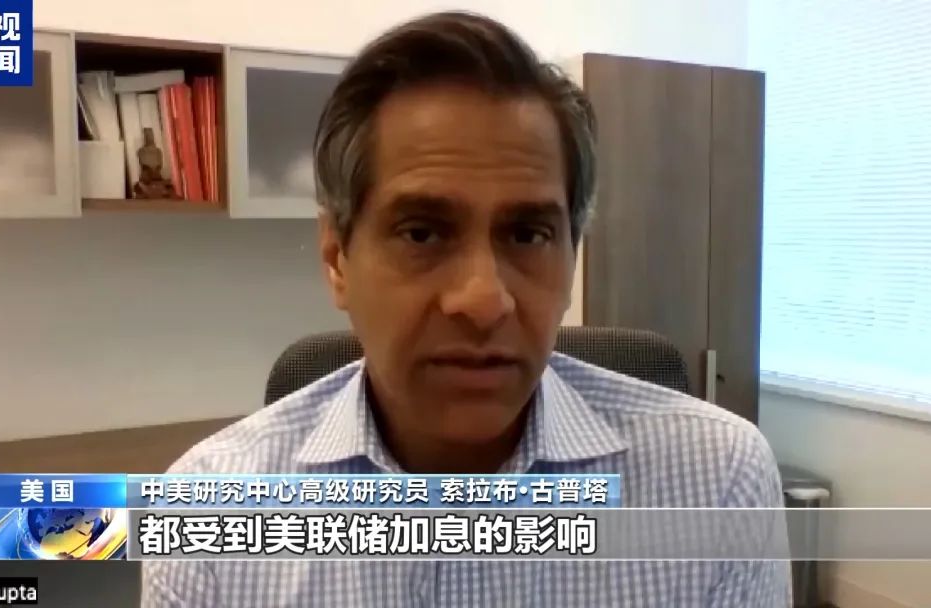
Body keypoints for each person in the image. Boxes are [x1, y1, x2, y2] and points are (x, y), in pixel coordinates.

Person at [143, 11, 791, 607]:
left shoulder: (718, 480)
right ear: (338, 257)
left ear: (572, 257)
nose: (483, 301)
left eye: (528, 235)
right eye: (422, 232)